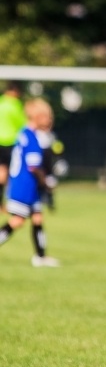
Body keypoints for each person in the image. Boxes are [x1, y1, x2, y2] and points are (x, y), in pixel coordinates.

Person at [0, 98, 60, 267]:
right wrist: (46, 181)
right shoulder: (32, 138)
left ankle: (40, 257)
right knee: (17, 220)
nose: (49, 120)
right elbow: (34, 166)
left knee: (37, 218)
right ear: (37, 116)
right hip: (25, 185)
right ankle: (40, 257)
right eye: (47, 116)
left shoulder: (23, 133)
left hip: (28, 186)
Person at [0, 81, 26, 211]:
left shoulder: (1, 102)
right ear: (15, 91)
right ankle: (13, 202)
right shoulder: (15, 105)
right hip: (11, 142)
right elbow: (23, 125)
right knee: (13, 173)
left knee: (1, 172)